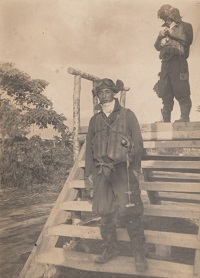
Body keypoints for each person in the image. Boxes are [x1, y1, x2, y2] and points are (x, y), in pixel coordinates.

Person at [85, 78, 148, 272]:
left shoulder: (127, 115)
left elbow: (137, 142)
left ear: (114, 93)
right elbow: (89, 147)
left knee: (130, 211)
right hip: (101, 171)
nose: (103, 95)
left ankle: (139, 253)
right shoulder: (95, 119)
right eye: (100, 92)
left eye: (107, 91)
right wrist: (89, 173)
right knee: (105, 212)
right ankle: (110, 249)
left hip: (123, 170)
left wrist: (135, 169)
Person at [154, 4, 193, 122]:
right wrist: (159, 37)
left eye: (167, 18)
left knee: (182, 90)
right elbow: (156, 47)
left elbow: (188, 40)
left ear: (173, 16)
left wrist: (171, 33)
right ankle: (165, 119)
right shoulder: (164, 30)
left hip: (178, 62)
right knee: (165, 91)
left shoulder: (186, 26)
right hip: (165, 63)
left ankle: (184, 118)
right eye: (164, 18)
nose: (166, 20)